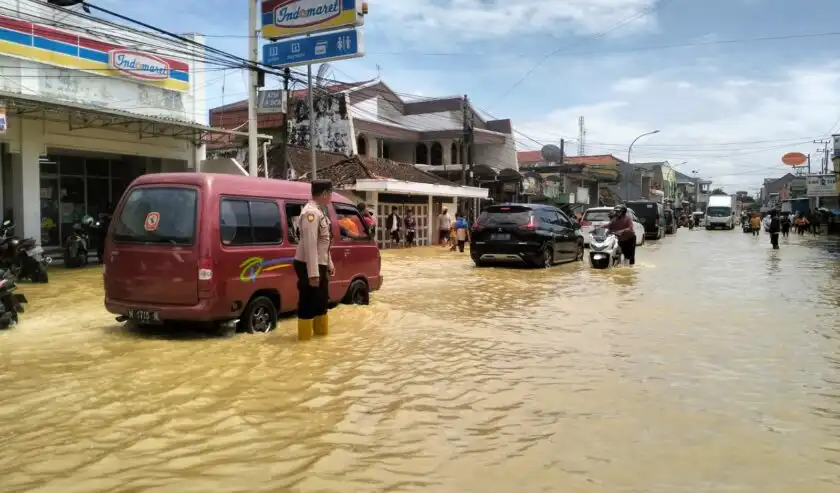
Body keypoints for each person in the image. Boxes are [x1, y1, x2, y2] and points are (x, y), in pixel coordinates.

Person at [294, 180, 335, 341]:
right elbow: (310, 245)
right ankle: (304, 342)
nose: (331, 196)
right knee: (308, 304)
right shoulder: (310, 213)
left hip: (319, 263)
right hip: (308, 265)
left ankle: (320, 340)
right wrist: (313, 274)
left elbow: (322, 243)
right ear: (324, 193)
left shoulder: (320, 211)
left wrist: (329, 264)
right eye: (330, 193)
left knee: (321, 302)